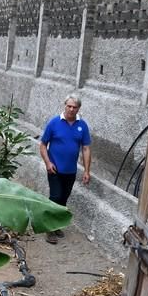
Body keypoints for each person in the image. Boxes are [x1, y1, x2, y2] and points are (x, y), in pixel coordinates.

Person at [39, 94, 91, 244]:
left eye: (74, 107)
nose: (71, 109)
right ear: (65, 106)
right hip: (54, 169)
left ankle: (56, 225)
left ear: (78, 108)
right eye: (69, 106)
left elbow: (86, 148)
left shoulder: (82, 125)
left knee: (63, 199)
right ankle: (49, 229)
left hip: (70, 171)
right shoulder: (54, 123)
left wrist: (87, 171)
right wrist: (48, 163)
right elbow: (43, 145)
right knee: (55, 197)